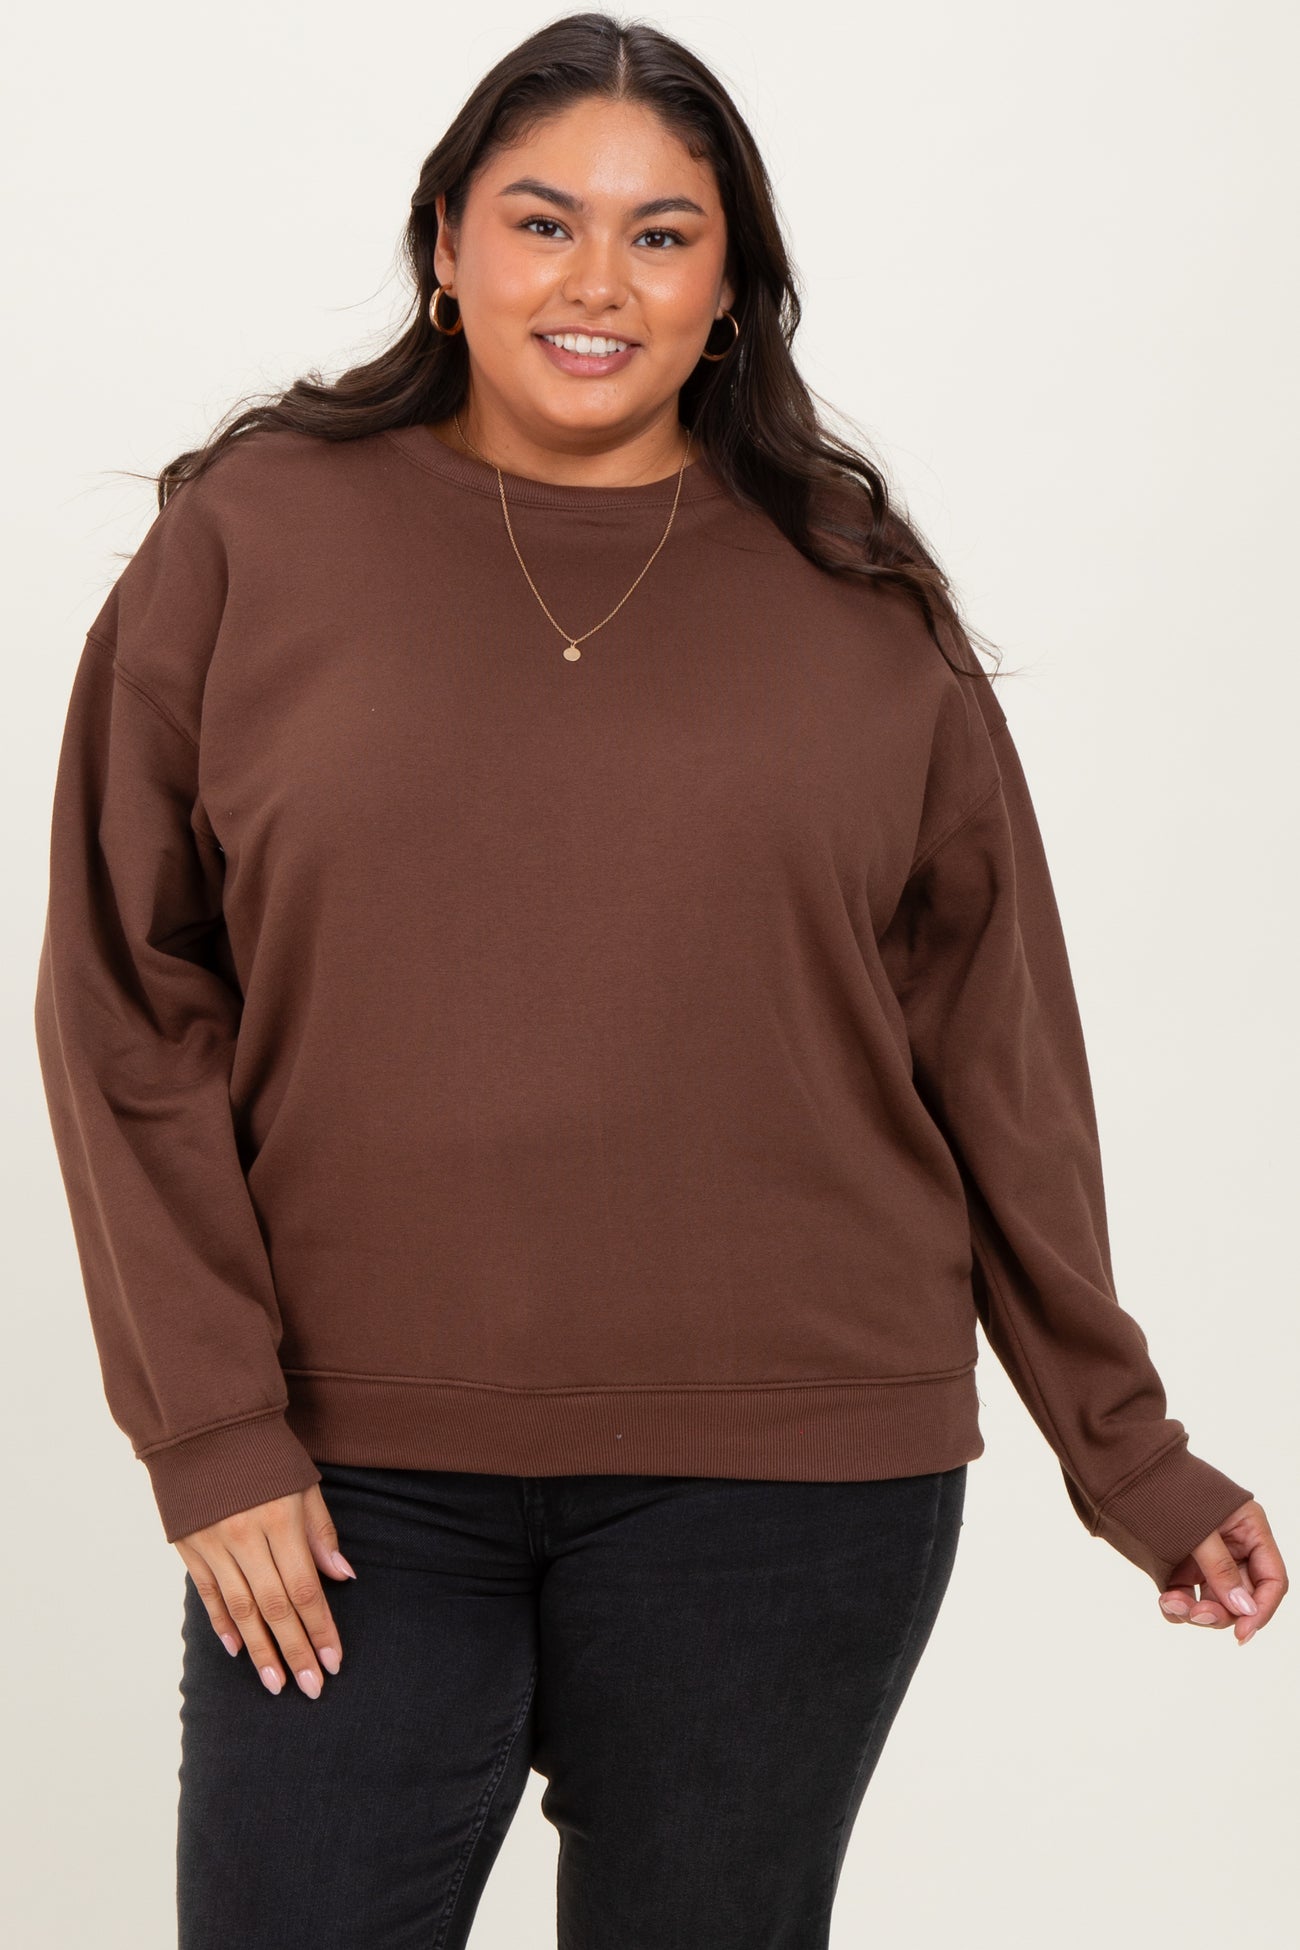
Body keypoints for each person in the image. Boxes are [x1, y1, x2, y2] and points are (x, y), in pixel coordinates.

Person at [33, 13, 1285, 1949]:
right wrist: (209, 1425)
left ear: (729, 287)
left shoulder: (855, 595)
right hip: (348, 1473)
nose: (594, 284)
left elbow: (990, 1045)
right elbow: (127, 996)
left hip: (788, 1481)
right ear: (446, 247)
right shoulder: (251, 540)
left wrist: (1125, 1451)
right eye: (542, 222)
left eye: (660, 235)